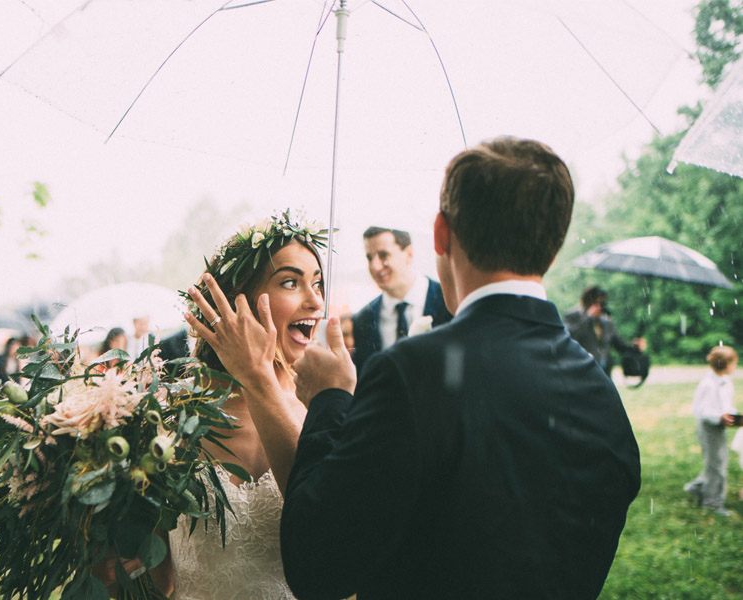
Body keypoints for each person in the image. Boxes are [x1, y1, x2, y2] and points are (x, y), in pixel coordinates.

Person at [204, 137, 641, 598]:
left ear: (440, 234)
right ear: (551, 247)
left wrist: (330, 398)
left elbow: (321, 565)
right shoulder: (601, 396)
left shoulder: (413, 374)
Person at [139, 211, 326, 599]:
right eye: (291, 282)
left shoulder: (326, 410)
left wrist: (258, 377)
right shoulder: (167, 416)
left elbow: (324, 527)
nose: (316, 302)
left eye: (319, 285)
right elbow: (159, 578)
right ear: (232, 301)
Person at [351, 226, 451, 372]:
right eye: (369, 257)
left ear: (409, 254)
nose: (375, 266)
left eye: (383, 255)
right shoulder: (363, 319)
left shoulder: (448, 301)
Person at [684, 345, 740, 516]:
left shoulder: (725, 382)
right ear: (726, 364)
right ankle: (712, 503)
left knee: (716, 462)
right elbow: (704, 411)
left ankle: (697, 487)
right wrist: (719, 417)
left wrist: (734, 416)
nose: (735, 367)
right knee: (717, 465)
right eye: (734, 363)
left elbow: (725, 405)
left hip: (718, 427)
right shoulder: (709, 384)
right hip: (709, 429)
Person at [563, 285, 644, 373]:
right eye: (595, 303)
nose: (599, 307)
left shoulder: (606, 322)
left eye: (602, 303)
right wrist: (588, 317)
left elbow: (619, 346)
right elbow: (569, 337)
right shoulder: (573, 316)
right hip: (581, 369)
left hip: (604, 370)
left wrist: (635, 347)